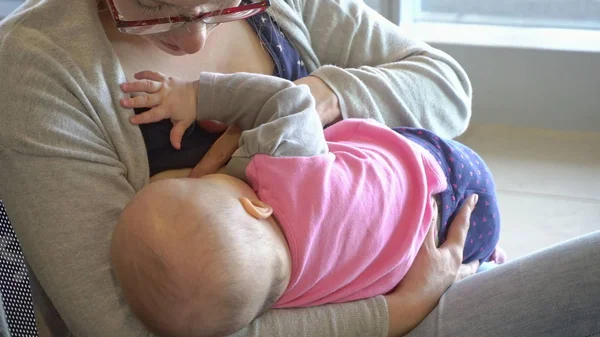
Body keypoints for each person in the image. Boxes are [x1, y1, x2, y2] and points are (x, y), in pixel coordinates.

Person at [0, 0, 597, 336]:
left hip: (413, 265)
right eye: (154, 12)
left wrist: (321, 95)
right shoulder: (40, 65)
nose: (196, 39)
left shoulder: (284, 7)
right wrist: (393, 313)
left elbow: (446, 88)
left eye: (228, 4)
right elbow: (123, 329)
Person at [109, 70, 507, 337]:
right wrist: (196, 96)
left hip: (442, 246)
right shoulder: (285, 171)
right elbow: (287, 98)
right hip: (442, 173)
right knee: (366, 147)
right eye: (195, 185)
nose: (195, 174)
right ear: (255, 207)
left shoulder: (275, 301)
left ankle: (488, 259)